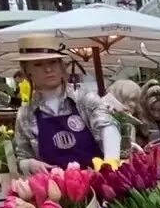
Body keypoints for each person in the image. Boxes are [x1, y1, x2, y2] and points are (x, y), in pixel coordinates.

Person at [9, 34, 121, 173]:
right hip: (55, 190)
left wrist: (109, 165)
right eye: (38, 64)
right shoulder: (26, 114)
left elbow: (108, 126)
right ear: (27, 71)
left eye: (53, 62)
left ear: (62, 66)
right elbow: (21, 157)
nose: (48, 69)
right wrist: (30, 164)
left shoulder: (85, 99)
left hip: (96, 183)